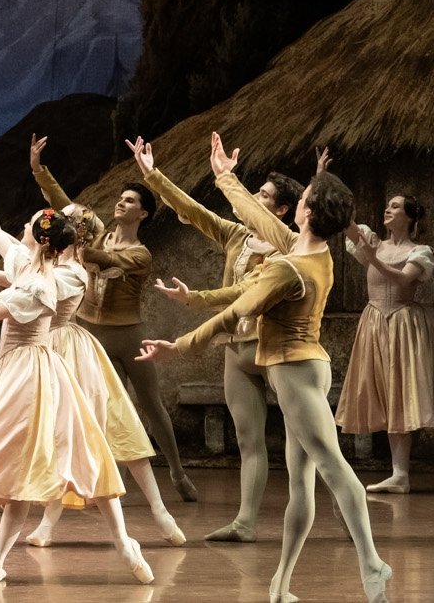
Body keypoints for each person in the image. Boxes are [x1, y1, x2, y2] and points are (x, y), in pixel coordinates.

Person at [142, 133, 393, 603]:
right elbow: (253, 216)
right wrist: (225, 178)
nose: (295, 204)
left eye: (304, 197)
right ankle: (280, 585)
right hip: (303, 367)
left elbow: (235, 313)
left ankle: (371, 562)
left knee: (333, 469)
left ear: (306, 212)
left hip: (295, 373)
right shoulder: (307, 248)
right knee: (300, 486)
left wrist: (178, 345)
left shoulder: (287, 267)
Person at [0, 154, 151, 587]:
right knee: (26, 464)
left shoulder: (59, 278)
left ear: (43, 239)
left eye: (28, 227)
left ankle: (123, 542)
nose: (20, 230)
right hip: (21, 368)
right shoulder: (34, 265)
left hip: (39, 370)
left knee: (80, 453)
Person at [128, 134, 303, 541]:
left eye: (263, 195)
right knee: (248, 439)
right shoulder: (238, 236)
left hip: (274, 348)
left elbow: (243, 294)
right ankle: (245, 523)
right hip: (236, 349)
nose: (252, 198)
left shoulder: (288, 252)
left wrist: (194, 298)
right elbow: (194, 211)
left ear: (281, 211)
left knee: (307, 442)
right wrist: (153, 176)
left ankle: (344, 515)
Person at [29, 134, 196, 502]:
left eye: (131, 200)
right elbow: (68, 207)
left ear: (144, 213)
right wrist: (40, 171)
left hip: (129, 335)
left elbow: (107, 260)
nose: (122, 202)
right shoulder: (100, 236)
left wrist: (79, 245)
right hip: (93, 333)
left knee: (151, 404)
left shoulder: (140, 254)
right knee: (104, 407)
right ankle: (108, 480)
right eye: (121, 198)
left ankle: (177, 471)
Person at [336, 195, 434, 492]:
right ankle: (400, 475)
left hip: (406, 325)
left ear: (409, 217)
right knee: (391, 397)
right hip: (375, 323)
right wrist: (322, 182)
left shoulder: (420, 252)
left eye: (395, 206)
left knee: (424, 398)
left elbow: (402, 280)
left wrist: (372, 259)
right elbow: (344, 222)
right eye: (387, 205)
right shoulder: (373, 241)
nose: (388, 208)